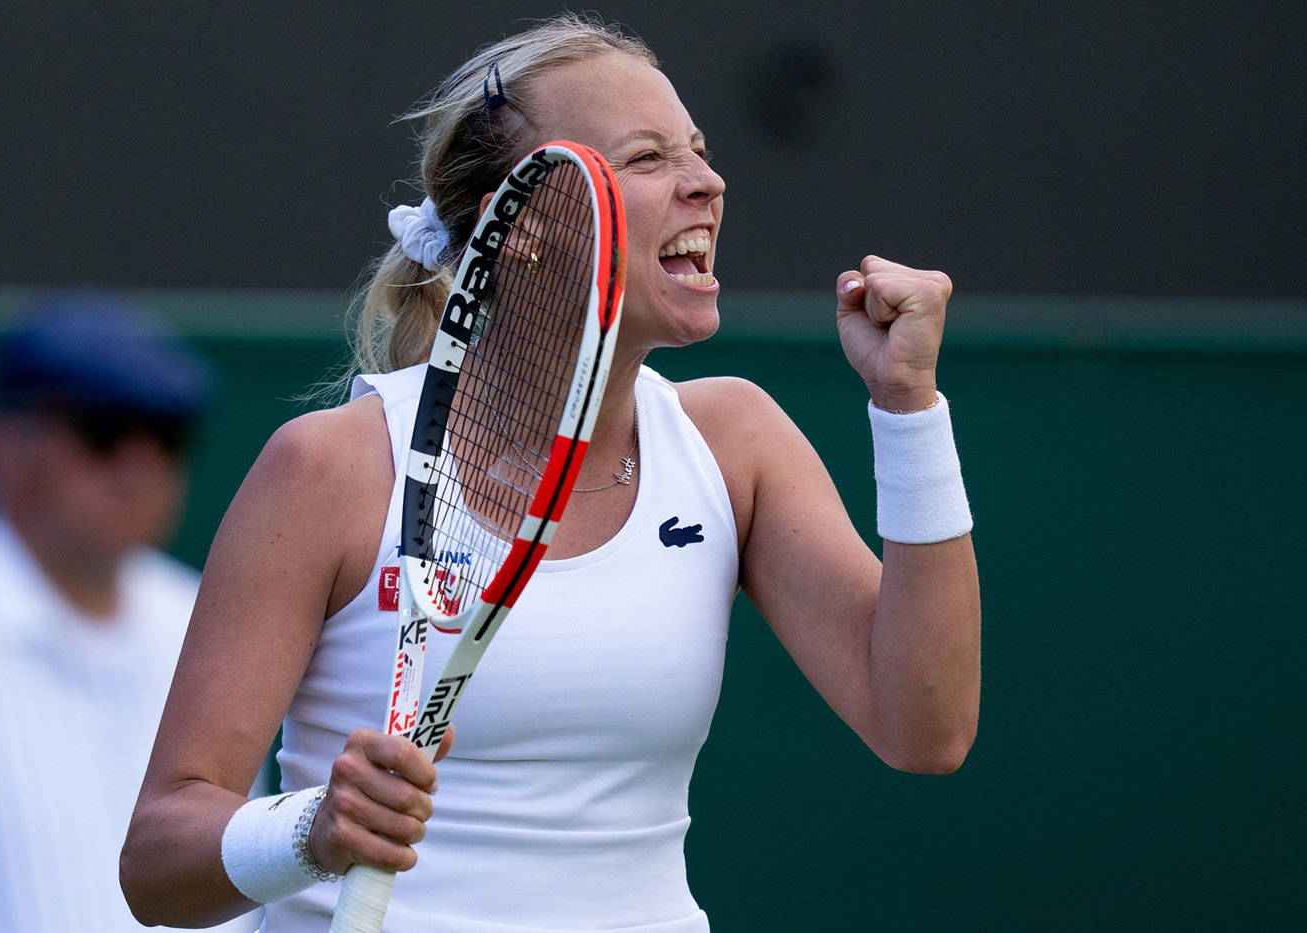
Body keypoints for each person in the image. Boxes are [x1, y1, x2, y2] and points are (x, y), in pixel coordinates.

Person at [121, 13, 980, 932]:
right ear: (522, 224)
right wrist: (311, 831)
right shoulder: (329, 469)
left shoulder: (736, 442)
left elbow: (925, 728)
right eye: (648, 160)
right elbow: (157, 862)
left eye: (698, 149)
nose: (708, 182)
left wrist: (908, 406)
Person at [0, 293, 257, 932]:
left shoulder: (203, 623)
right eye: (103, 435)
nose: (142, 468)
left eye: (168, 438)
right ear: (6, 448)